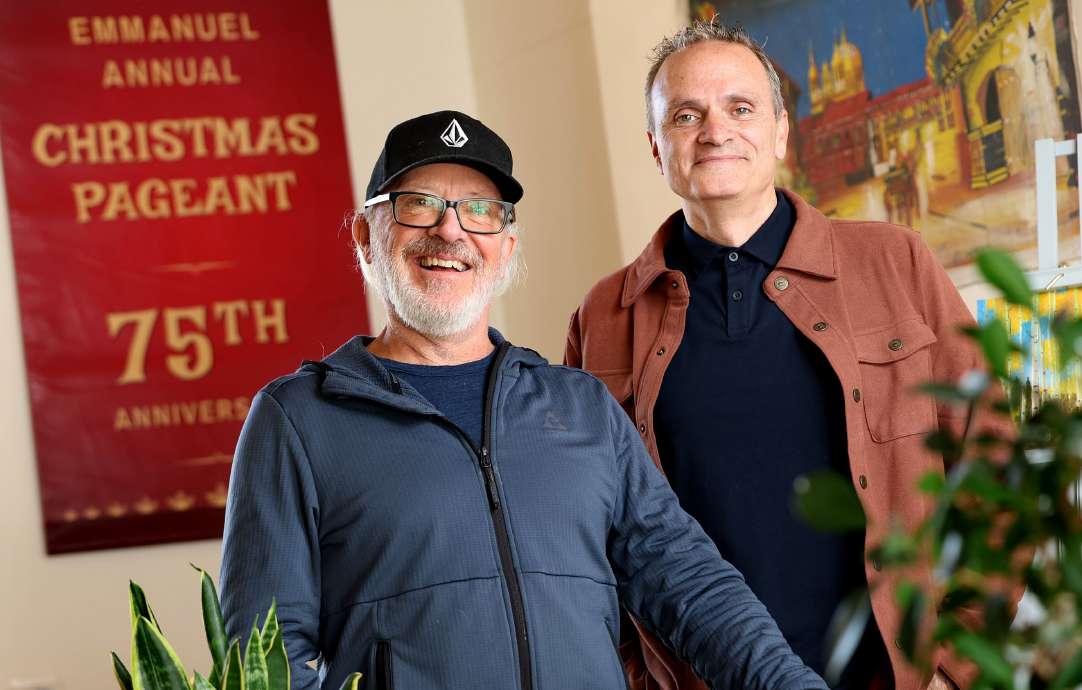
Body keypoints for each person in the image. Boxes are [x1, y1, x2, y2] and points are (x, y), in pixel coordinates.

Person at [219, 110, 828, 690]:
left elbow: (691, 586)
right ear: (366, 237)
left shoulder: (581, 408)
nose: (450, 229)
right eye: (420, 205)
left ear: (505, 247)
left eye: (481, 210)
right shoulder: (298, 420)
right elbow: (266, 659)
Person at [565, 20, 1016, 690]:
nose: (715, 131)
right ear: (657, 150)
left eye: (739, 108)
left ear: (780, 131)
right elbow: (581, 536)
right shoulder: (603, 317)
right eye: (686, 115)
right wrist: (634, 674)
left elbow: (996, 460)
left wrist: (957, 666)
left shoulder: (896, 263)